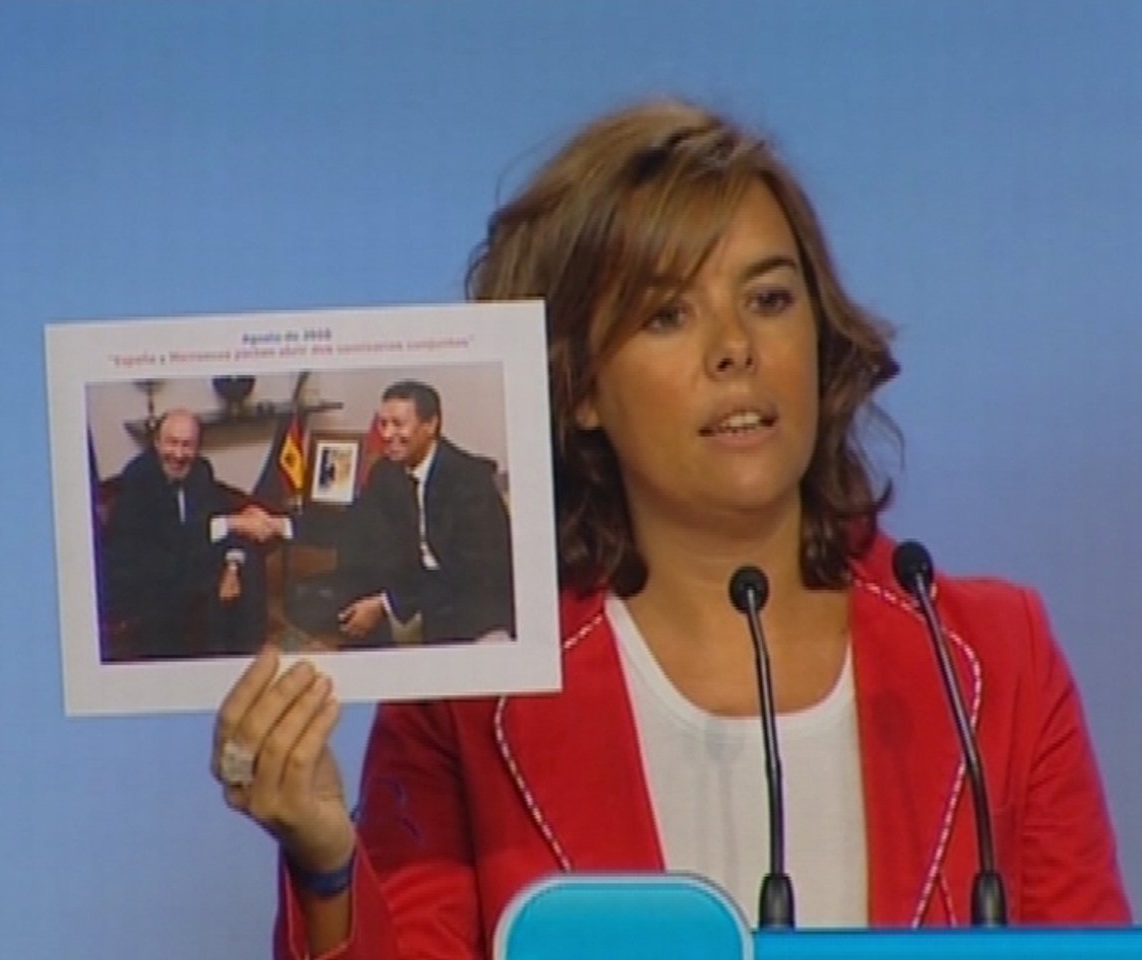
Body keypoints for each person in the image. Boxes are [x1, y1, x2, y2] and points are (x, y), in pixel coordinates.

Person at [211, 99, 1130, 957]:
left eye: (769, 299)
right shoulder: (468, 696)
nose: (735, 348)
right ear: (578, 388)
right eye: (668, 314)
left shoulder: (993, 657)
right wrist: (326, 869)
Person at [328, 380, 514, 647]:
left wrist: (386, 603)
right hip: (424, 597)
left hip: (477, 607)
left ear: (430, 424)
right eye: (383, 424)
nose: (387, 434)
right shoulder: (387, 471)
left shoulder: (468, 480)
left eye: (398, 424)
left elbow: (472, 575)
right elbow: (354, 522)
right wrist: (283, 525)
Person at [102, 408, 288, 658]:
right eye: (172, 443)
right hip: (148, 575)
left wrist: (231, 565)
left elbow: (214, 516)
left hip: (188, 561)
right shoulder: (139, 477)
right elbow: (172, 539)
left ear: (198, 447)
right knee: (207, 586)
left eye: (187, 445)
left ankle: (247, 656)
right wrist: (233, 524)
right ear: (157, 443)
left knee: (248, 563)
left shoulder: (200, 470)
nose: (179, 454)